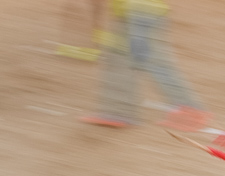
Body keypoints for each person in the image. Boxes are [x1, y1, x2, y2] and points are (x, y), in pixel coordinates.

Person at [80, 0, 211, 131]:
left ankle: (191, 110)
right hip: (128, 12)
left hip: (141, 11)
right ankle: (117, 112)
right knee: (119, 60)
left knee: (154, 62)